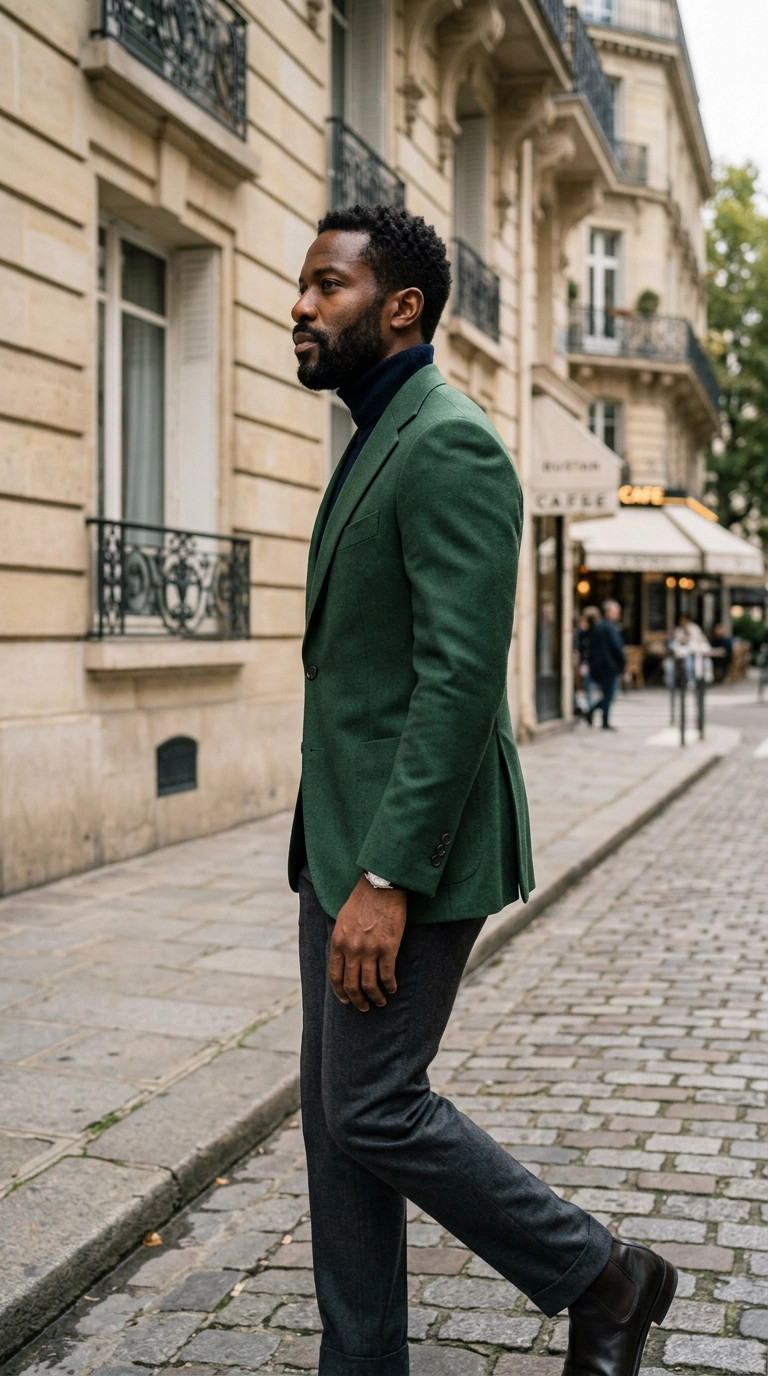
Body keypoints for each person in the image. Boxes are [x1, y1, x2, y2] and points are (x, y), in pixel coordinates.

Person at [288, 203, 676, 1376]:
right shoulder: (375, 429)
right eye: (302, 285)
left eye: (327, 286)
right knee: (338, 1132)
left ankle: (603, 1273)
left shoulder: (447, 439)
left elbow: (462, 680)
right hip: (338, 838)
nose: (300, 305)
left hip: (408, 851)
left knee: (374, 1107)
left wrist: (387, 876)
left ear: (401, 307)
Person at [586, 600, 626, 729]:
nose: (618, 615)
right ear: (608, 612)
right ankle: (599, 717)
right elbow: (617, 648)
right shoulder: (610, 628)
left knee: (607, 694)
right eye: (616, 612)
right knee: (609, 694)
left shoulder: (598, 627)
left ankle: (595, 714)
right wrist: (622, 665)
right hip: (609, 666)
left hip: (599, 666)